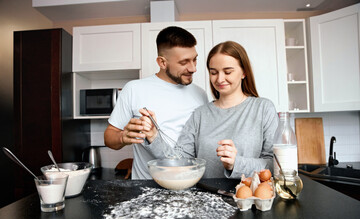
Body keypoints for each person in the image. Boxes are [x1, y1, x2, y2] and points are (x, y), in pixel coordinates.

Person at [140, 41, 278, 178]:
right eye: (213, 72)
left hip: (248, 197)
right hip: (204, 197)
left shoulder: (263, 109)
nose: (220, 79)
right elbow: (180, 162)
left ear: (244, 73)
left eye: (227, 71)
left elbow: (274, 165)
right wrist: (153, 137)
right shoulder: (200, 115)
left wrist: (236, 164)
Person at [104, 26, 209, 179]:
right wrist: (122, 137)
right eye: (184, 62)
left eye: (194, 59)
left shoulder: (200, 94)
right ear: (162, 62)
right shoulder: (134, 89)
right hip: (146, 187)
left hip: (188, 183)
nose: (193, 68)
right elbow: (109, 137)